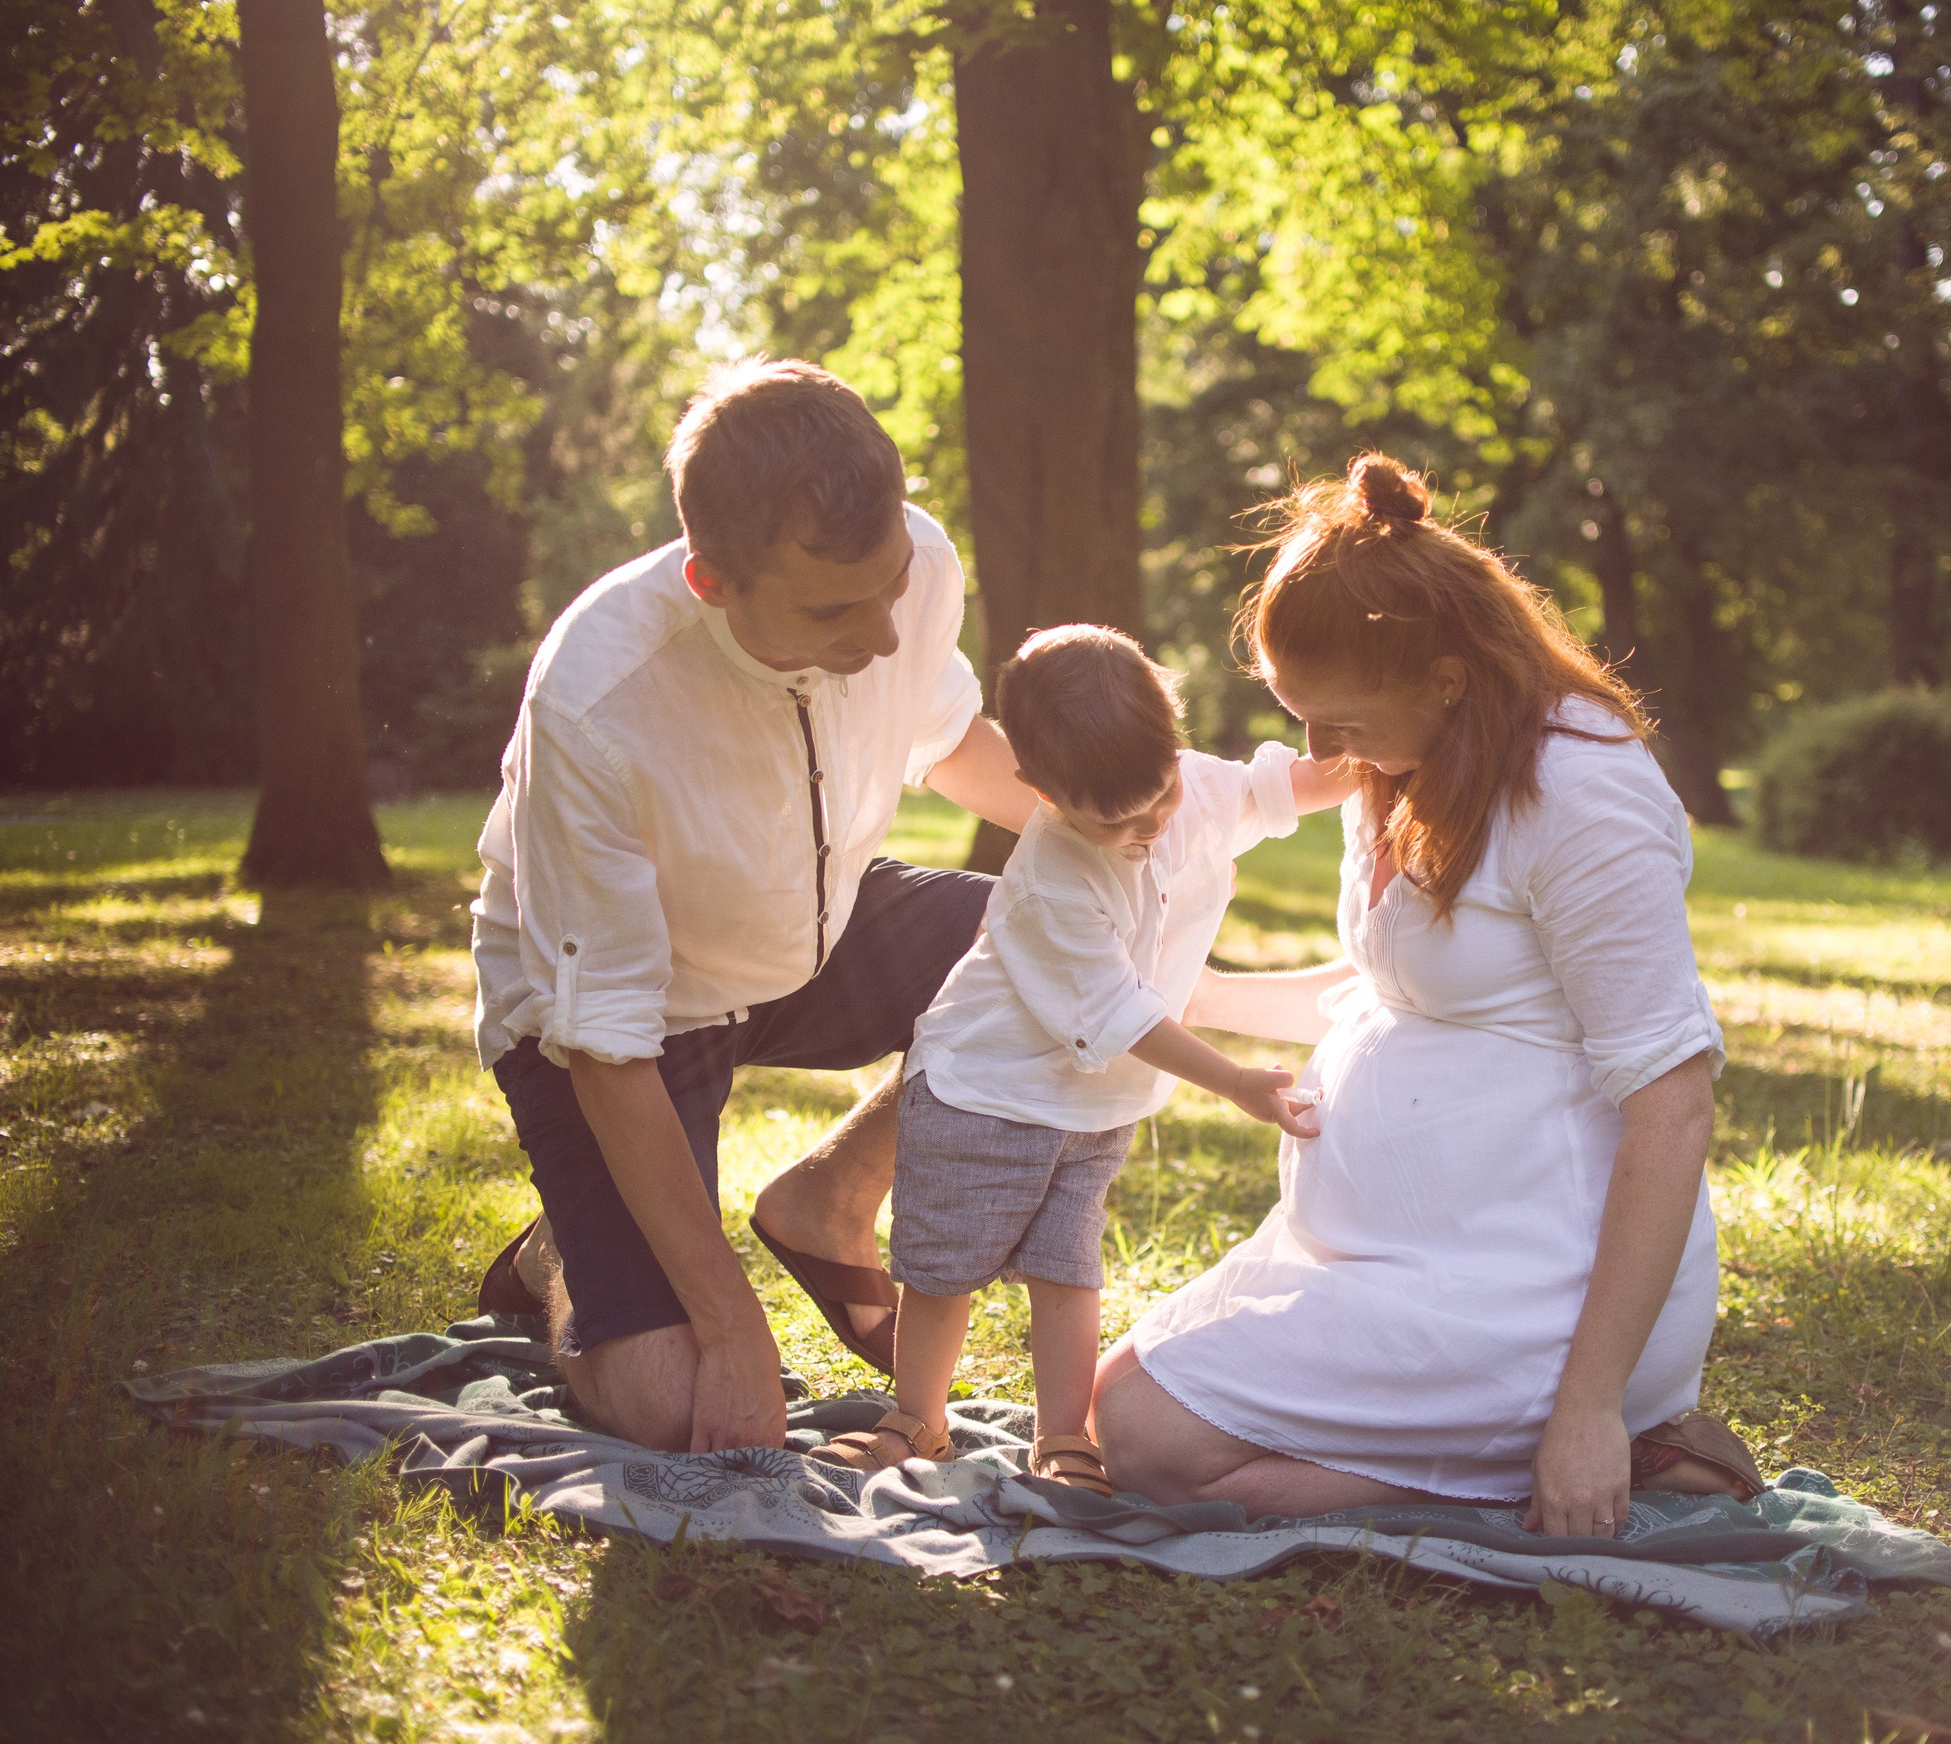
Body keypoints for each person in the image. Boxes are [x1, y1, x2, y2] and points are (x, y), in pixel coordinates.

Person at [1093, 453, 1762, 1538]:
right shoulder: (1410, 760)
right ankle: (1509, 1457)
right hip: (1399, 1255)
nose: (1317, 753)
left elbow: (1672, 1101)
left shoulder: (1586, 797)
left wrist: (1586, 1404)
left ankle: (1613, 1448)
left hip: (1536, 1284)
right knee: (1118, 1405)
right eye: (1297, 715)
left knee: (1151, 1442)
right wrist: (1195, 995)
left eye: (1338, 721)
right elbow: (1397, 988)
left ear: (1446, 677)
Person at [469, 358, 1039, 1453]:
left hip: (804, 932)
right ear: (711, 581)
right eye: (833, 608)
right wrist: (730, 1324)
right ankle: (559, 1256)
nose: (881, 632)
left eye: (888, 589)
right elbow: (606, 1051)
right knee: (675, 1405)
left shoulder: (910, 560)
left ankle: (827, 1196)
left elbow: (952, 740)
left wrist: (1126, 824)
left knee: (1069, 950)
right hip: (617, 1021)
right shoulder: (597, 701)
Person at [814, 625, 1347, 1492]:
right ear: (1041, 791)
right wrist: (1236, 1080)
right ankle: (917, 1417)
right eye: (1116, 820)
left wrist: (1389, 753)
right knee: (946, 1267)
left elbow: (1299, 782)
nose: (1146, 829)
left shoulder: (1197, 788)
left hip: (1097, 1108)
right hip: (987, 1091)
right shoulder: (1055, 872)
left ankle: (1062, 1436)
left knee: (1068, 1268)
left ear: (1175, 752)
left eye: (1159, 798)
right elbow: (1124, 1013)